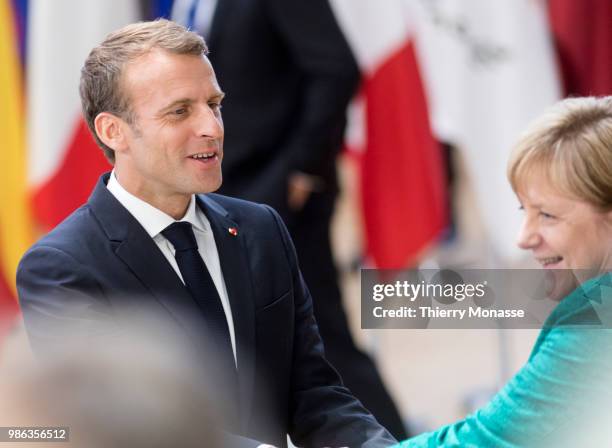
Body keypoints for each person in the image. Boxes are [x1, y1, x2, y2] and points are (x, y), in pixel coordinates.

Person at [16, 19, 396, 448]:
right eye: (180, 111)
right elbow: (126, 433)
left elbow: (313, 392)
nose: (212, 128)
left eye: (213, 103)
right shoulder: (60, 268)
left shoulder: (261, 229)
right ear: (112, 131)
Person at [169, 0, 407, 438]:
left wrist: (302, 169)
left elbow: (336, 67)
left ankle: (396, 441)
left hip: (281, 196)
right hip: (212, 193)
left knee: (323, 343)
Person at [398, 96, 612, 447]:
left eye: (547, 215)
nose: (522, 237)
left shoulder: (595, 330)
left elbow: (484, 440)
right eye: (523, 210)